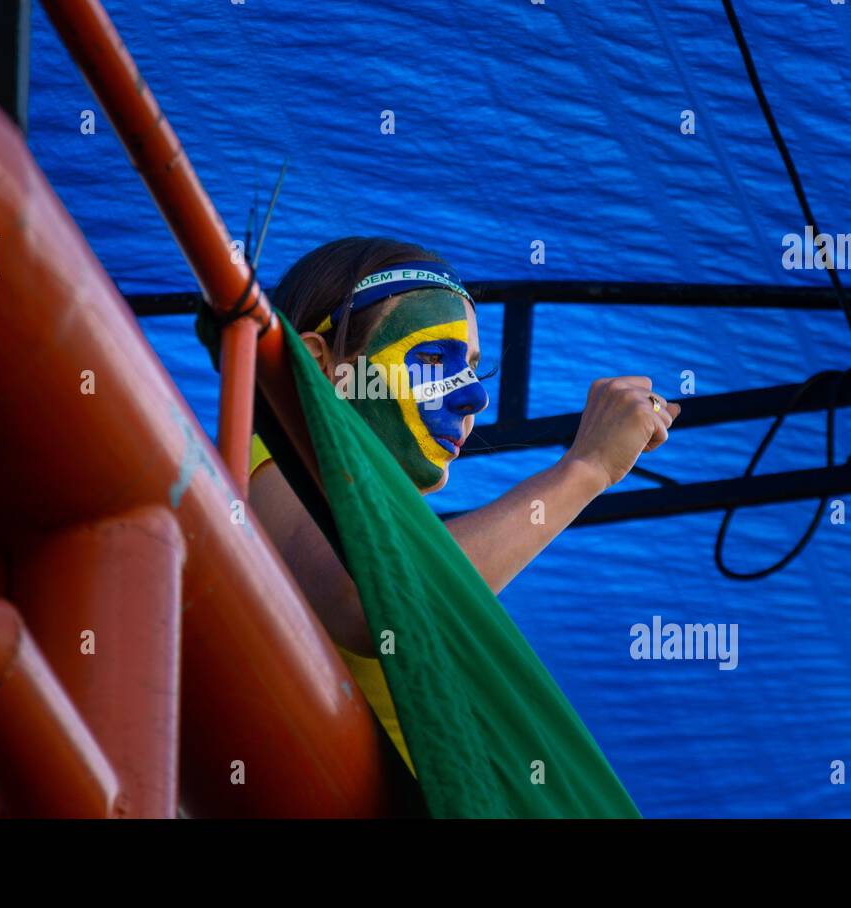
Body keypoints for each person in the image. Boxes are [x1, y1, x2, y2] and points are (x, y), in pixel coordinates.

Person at [248, 236, 680, 777]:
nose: (474, 397)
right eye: (432, 358)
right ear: (321, 364)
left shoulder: (378, 523)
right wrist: (585, 470)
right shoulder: (265, 459)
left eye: (475, 369)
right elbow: (371, 603)